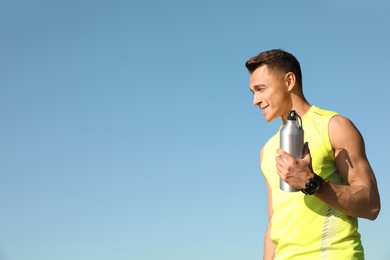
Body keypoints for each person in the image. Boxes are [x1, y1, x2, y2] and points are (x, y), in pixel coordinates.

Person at [245, 49, 380, 259]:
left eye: (260, 89)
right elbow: (274, 221)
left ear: (289, 81)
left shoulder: (334, 126)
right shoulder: (267, 150)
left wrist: (312, 183)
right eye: (253, 92)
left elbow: (371, 205)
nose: (255, 100)